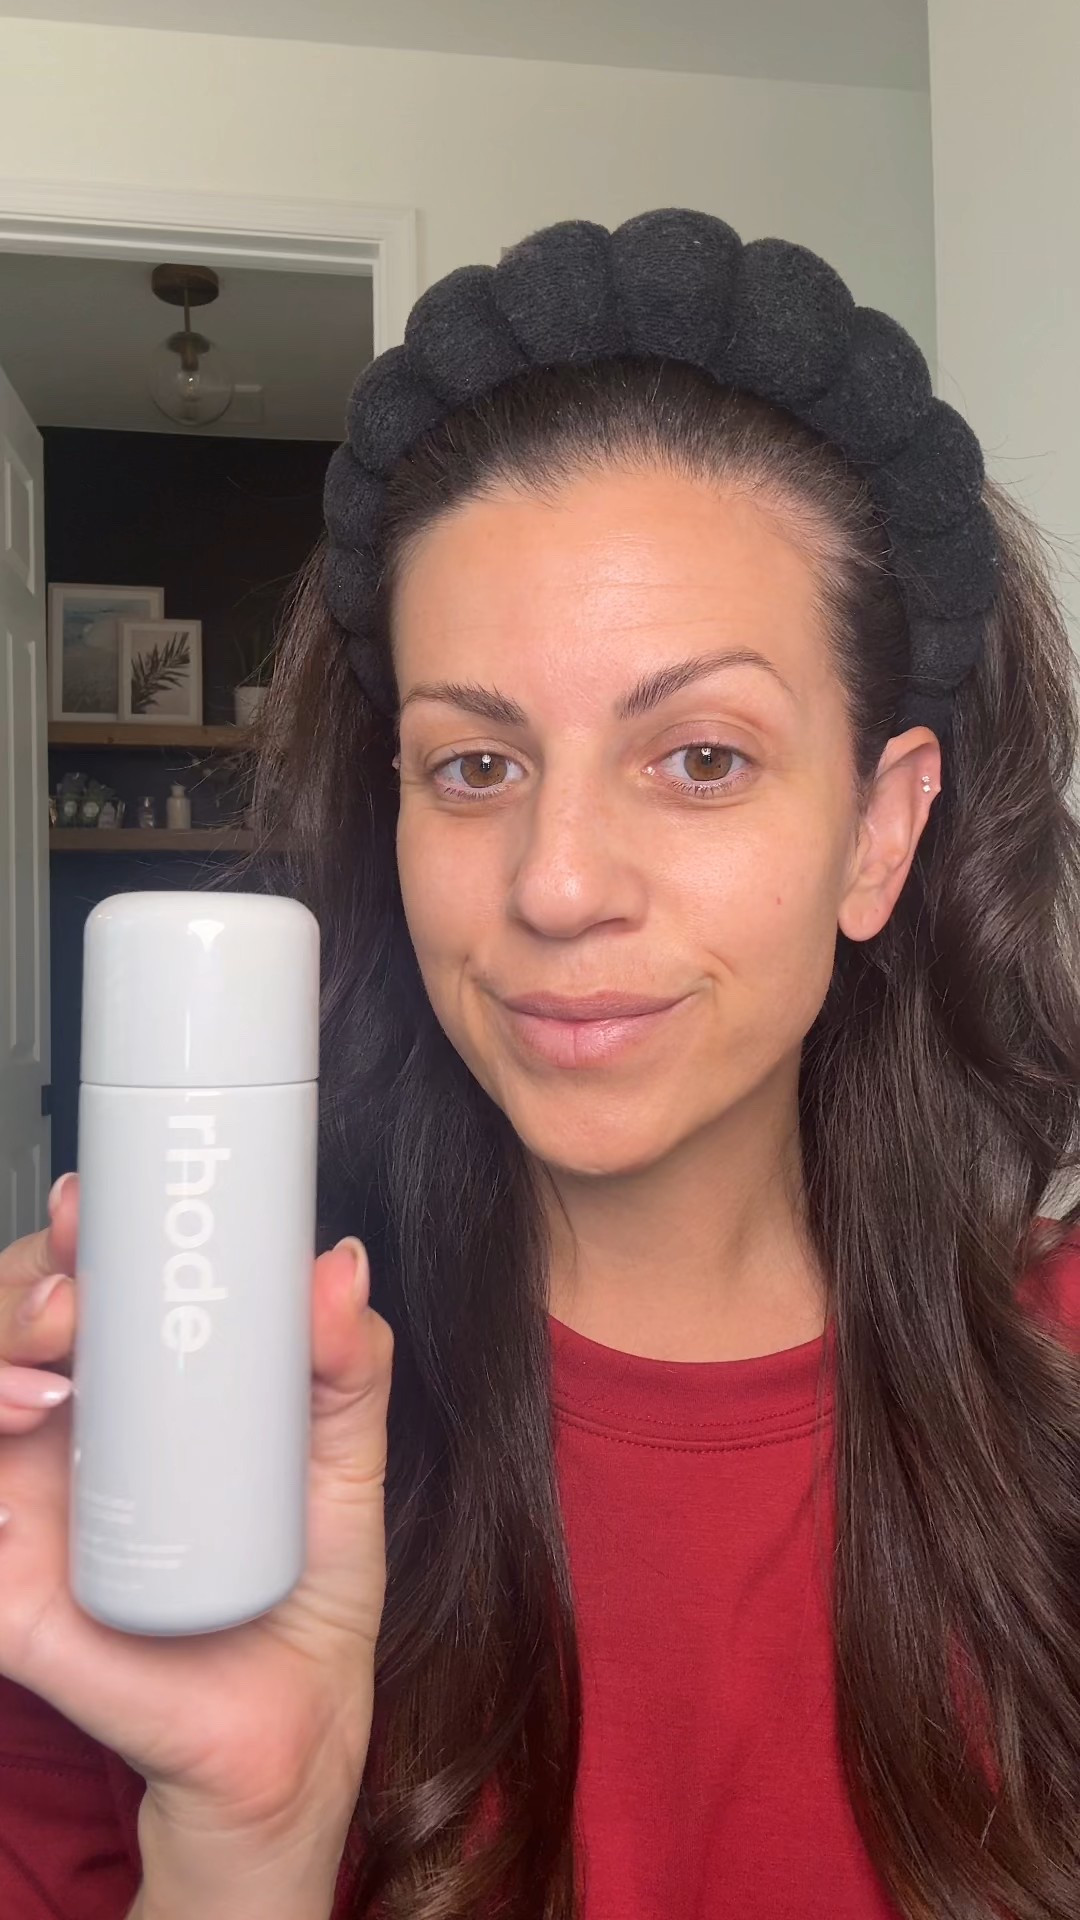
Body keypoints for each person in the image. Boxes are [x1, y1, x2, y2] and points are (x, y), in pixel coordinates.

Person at [0, 210, 1078, 1920]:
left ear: (880, 831)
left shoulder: (1061, 1366)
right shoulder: (169, 1462)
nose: (557, 886)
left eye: (702, 757)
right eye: (476, 766)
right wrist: (243, 1842)